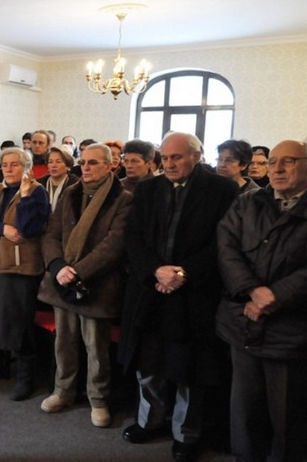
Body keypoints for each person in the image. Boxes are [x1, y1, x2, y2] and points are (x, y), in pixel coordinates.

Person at [118, 132, 239, 462]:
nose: (169, 164)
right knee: (148, 362)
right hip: (150, 290)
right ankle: (150, 421)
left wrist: (183, 274)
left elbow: (223, 242)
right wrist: (156, 271)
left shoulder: (222, 190)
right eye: (166, 158)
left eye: (177, 157)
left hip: (195, 294)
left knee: (191, 370)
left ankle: (186, 433)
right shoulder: (147, 188)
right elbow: (133, 237)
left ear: (196, 157)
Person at [215, 140, 307, 462]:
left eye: (289, 161)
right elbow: (226, 247)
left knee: (288, 414)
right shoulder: (249, 201)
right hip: (243, 319)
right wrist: (253, 290)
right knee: (244, 409)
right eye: (273, 162)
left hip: (290, 329)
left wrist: (276, 295)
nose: (277, 168)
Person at [38, 143, 132, 428]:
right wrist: (57, 267)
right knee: (64, 342)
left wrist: (77, 272)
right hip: (63, 280)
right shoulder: (71, 192)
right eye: (83, 162)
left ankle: (98, 399)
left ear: (110, 165)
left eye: (93, 163)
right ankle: (63, 391)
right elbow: (52, 233)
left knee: (96, 348)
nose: (86, 168)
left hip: (96, 283)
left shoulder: (123, 198)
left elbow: (114, 245)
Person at [0, 146, 50, 400]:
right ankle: (0, 369)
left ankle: (26, 377)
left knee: (19, 321)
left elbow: (29, 228)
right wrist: (2, 229)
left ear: (26, 168)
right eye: (5, 164)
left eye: (14, 164)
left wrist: (26, 197)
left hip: (21, 267)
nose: (8, 169)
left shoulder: (37, 192)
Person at [39, 146, 79, 212]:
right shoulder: (39, 184)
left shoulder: (76, 185)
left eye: (58, 162)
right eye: (50, 162)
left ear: (68, 167)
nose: (53, 165)